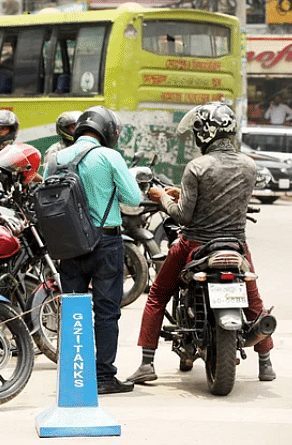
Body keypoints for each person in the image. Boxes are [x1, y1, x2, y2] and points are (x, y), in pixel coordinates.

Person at [127, 102, 275, 385]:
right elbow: (222, 194)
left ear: (206, 132)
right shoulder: (249, 165)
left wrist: (163, 197)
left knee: (157, 294)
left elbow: (183, 215)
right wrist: (180, 192)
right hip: (236, 245)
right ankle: (266, 364)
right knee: (254, 300)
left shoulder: (196, 166)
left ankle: (147, 363)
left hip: (195, 245)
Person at [44, 106, 142, 395]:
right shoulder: (110, 157)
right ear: (107, 131)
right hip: (105, 243)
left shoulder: (57, 157)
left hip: (68, 244)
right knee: (107, 312)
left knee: (72, 310)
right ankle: (103, 377)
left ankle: (73, 376)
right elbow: (133, 198)